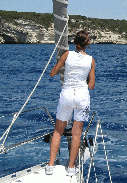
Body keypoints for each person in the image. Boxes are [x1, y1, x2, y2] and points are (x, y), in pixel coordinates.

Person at [46, 30, 95, 176]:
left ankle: (50, 166)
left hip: (67, 94)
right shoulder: (91, 60)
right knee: (77, 133)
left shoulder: (67, 55)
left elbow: (52, 72)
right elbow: (91, 85)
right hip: (82, 96)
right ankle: (71, 167)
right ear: (88, 44)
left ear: (74, 42)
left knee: (58, 131)